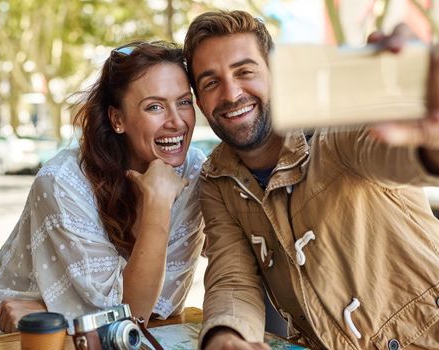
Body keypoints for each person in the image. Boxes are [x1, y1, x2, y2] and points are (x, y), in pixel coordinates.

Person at [183, 10, 439, 350]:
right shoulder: (216, 180)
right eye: (211, 82)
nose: (231, 94)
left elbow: (404, 159)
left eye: (244, 71)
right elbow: (233, 278)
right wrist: (226, 337)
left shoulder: (336, 129)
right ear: (200, 100)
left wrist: (431, 139)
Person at [0, 40, 206, 344]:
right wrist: (157, 203)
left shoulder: (193, 170)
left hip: (82, 336)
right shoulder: (63, 183)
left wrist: (58, 315)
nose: (177, 121)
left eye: (183, 102)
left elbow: (153, 309)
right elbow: (131, 311)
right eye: (154, 106)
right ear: (117, 119)